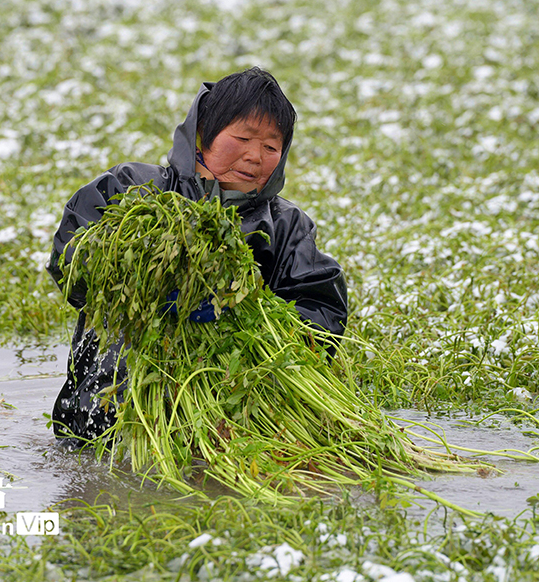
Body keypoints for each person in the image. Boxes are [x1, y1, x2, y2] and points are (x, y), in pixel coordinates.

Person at [46, 67, 348, 442]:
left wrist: (243, 316)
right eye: (243, 138)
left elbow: (319, 309)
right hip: (105, 412)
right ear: (202, 135)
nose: (255, 156)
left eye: (271, 148)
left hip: (226, 423)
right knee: (100, 467)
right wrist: (151, 289)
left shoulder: (286, 227)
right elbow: (72, 257)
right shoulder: (132, 189)